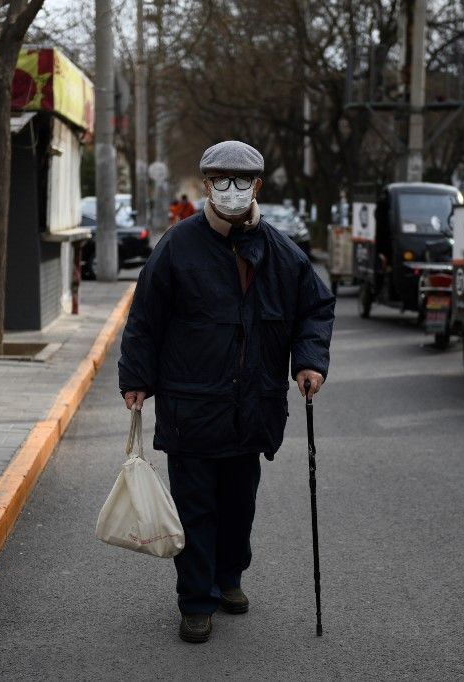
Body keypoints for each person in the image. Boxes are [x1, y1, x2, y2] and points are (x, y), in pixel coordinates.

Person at [118, 140, 335, 644]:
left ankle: (229, 577)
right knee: (195, 508)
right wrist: (136, 379)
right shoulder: (178, 246)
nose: (230, 190)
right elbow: (145, 317)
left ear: (256, 186)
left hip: (251, 406)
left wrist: (308, 361)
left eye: (240, 182)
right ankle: (197, 600)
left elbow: (315, 309)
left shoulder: (282, 253)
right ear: (206, 185)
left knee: (239, 504)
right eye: (220, 181)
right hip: (191, 404)